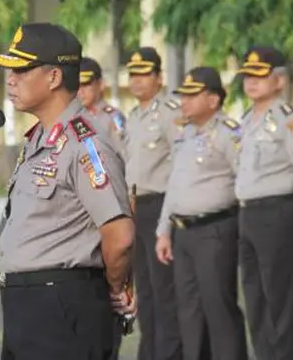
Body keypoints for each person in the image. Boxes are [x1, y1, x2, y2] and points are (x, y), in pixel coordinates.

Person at [0, 22, 136, 360]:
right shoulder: (40, 139)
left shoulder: (86, 144)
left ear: (54, 77)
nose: (10, 79)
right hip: (28, 306)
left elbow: (120, 234)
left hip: (64, 305)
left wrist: (113, 288)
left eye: (21, 70)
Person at [155, 67, 248, 360]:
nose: (184, 101)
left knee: (218, 307)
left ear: (213, 99)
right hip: (183, 233)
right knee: (189, 311)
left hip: (214, 230)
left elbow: (244, 181)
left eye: (192, 95)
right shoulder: (185, 134)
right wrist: (163, 230)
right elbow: (175, 185)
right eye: (183, 94)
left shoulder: (229, 133)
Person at [234, 46, 293, 360]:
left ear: (279, 81)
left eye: (260, 76)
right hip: (248, 214)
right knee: (256, 299)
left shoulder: (289, 120)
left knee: (282, 299)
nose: (251, 82)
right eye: (248, 76)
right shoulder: (245, 120)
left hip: (278, 212)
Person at [123, 46, 183, 360]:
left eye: (144, 73)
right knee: (144, 293)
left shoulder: (171, 111)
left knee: (165, 294)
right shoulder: (132, 116)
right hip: (136, 208)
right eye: (132, 74)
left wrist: (169, 220)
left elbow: (181, 164)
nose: (136, 80)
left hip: (162, 207)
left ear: (159, 77)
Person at [78, 57, 127, 154]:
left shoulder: (113, 118)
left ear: (101, 84)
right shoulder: (72, 117)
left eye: (86, 84)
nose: (80, 91)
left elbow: (123, 156)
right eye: (77, 86)